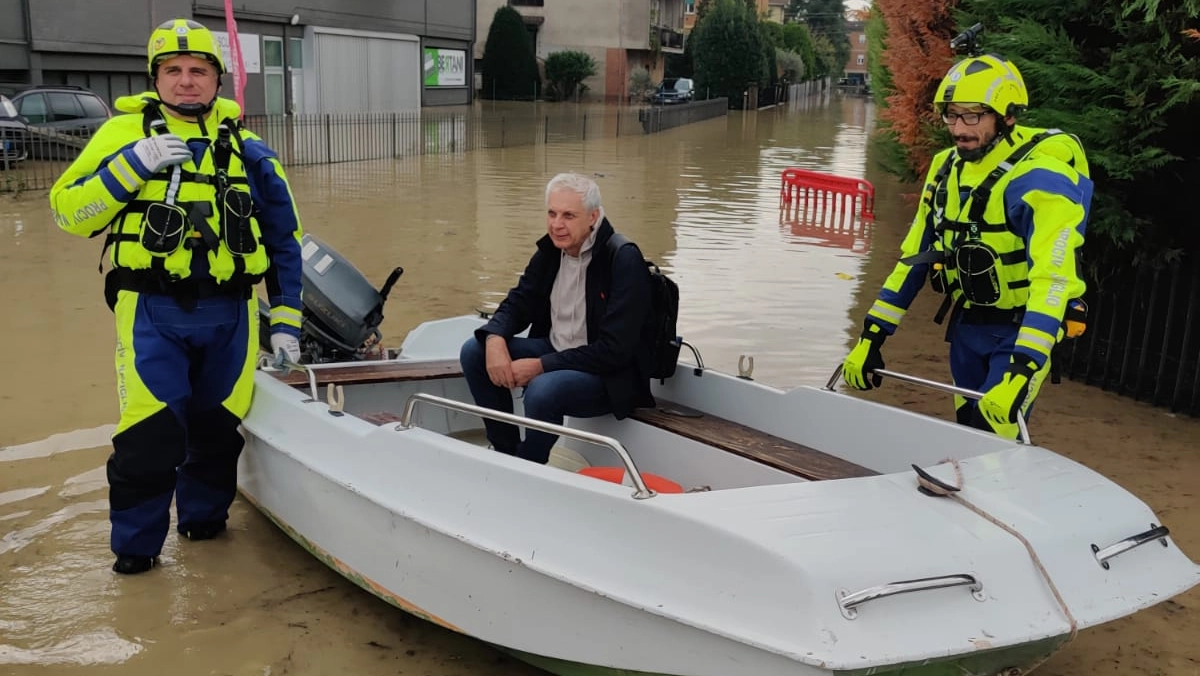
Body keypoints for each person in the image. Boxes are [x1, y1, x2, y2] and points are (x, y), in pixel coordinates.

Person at [49, 19, 304, 574]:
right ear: (155, 78)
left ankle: (205, 531)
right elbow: (67, 212)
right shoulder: (121, 136)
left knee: (217, 432)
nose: (187, 82)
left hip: (233, 315)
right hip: (152, 312)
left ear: (217, 78)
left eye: (198, 70)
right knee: (151, 437)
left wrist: (286, 321)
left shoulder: (251, 149)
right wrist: (131, 167)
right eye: (174, 71)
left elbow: (285, 240)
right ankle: (136, 558)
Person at [841, 52, 1092, 439]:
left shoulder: (1042, 179)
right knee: (966, 431)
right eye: (951, 115)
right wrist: (870, 337)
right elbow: (913, 260)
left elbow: (1052, 278)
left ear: (1007, 115)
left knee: (994, 438)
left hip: (1019, 330)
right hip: (967, 327)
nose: (958, 128)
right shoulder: (945, 169)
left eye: (972, 115)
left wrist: (1023, 368)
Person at [459, 173, 653, 464]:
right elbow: (518, 301)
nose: (556, 225)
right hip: (556, 352)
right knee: (475, 350)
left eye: (568, 215)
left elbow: (615, 351)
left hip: (607, 376)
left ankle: (528, 465)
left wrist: (542, 366)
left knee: (542, 388)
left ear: (593, 216)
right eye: (552, 213)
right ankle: (505, 453)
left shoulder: (623, 260)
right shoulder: (552, 252)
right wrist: (495, 336)